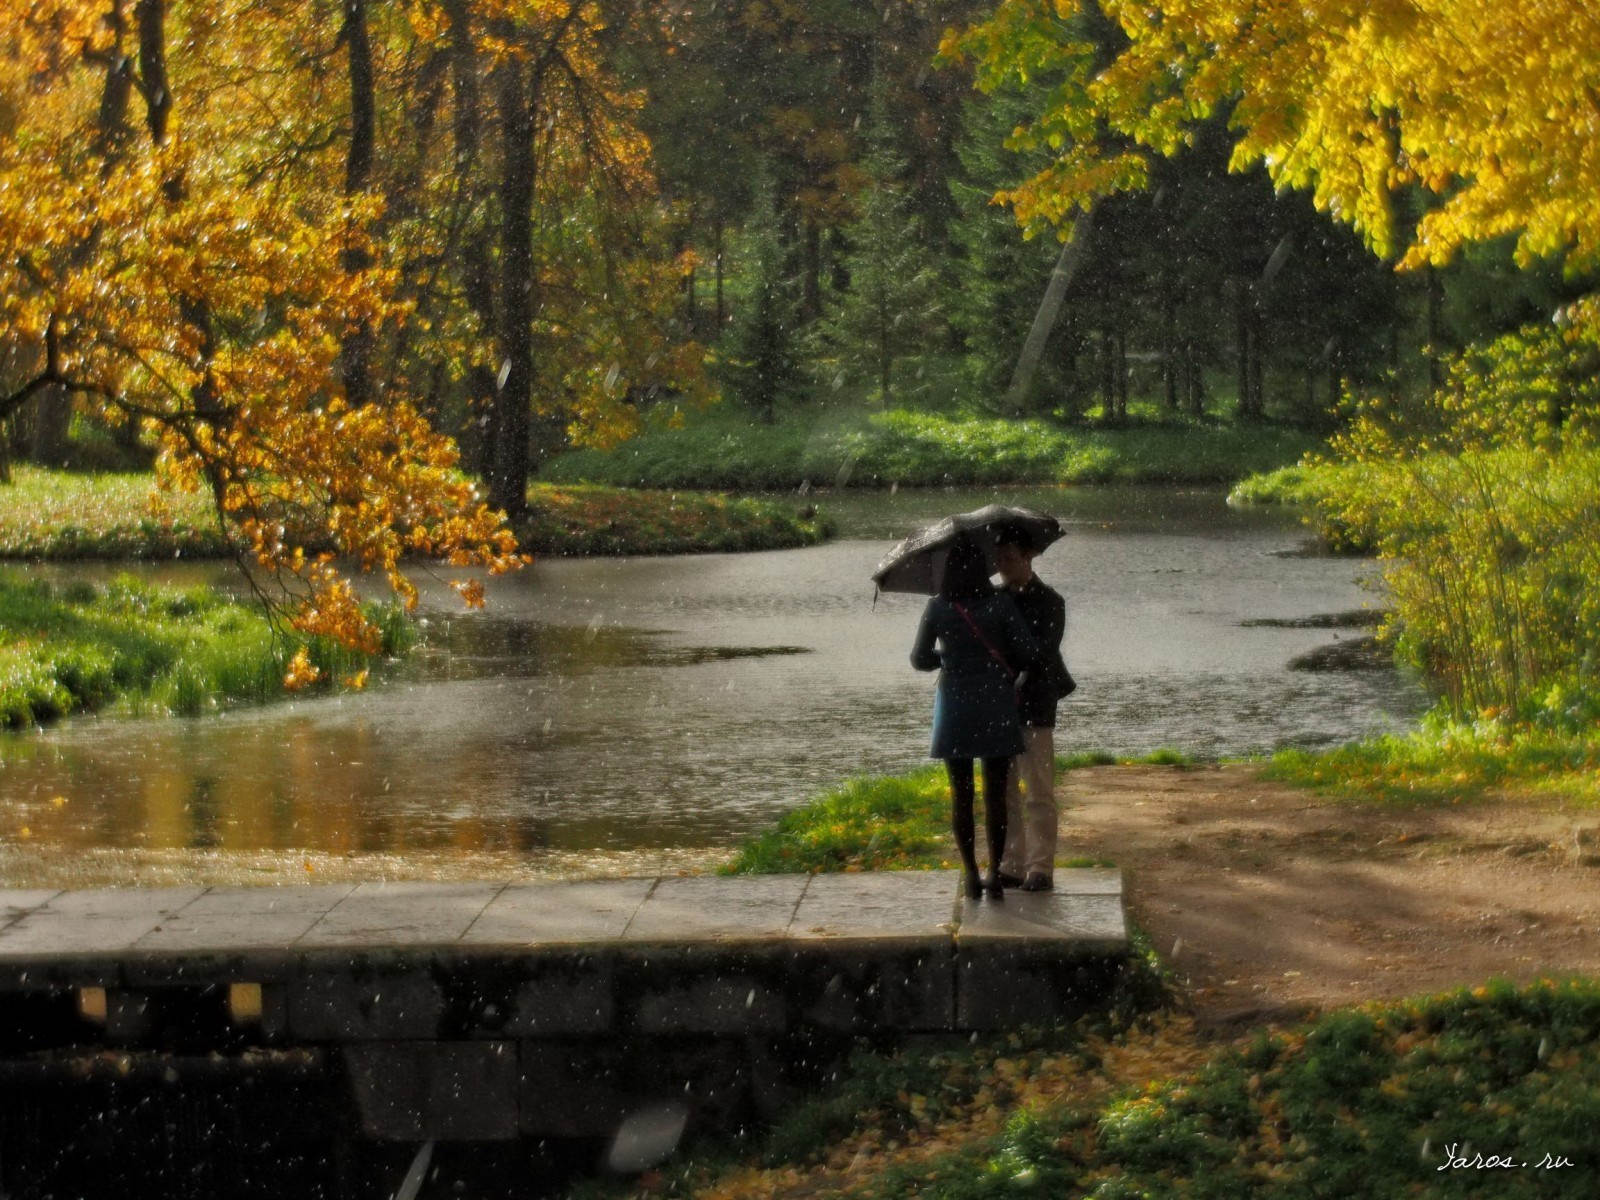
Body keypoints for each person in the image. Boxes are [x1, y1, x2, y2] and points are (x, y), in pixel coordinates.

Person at [910, 533, 1044, 901]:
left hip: (955, 707)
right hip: (995, 705)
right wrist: (998, 657)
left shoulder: (938, 608)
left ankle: (970, 875)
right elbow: (1030, 652)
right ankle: (995, 876)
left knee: (962, 796)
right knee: (997, 796)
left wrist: (946, 657)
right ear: (982, 570)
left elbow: (919, 659)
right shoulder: (1000, 605)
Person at [993, 523, 1070, 892]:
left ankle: (1041, 868)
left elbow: (1042, 654)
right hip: (1000, 705)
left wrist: (1009, 660)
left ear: (1028, 557)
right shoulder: (992, 599)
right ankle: (1012, 863)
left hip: (1036, 702)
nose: (1002, 564)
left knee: (1038, 789)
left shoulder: (1051, 601)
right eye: (999, 558)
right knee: (1005, 790)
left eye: (1009, 556)